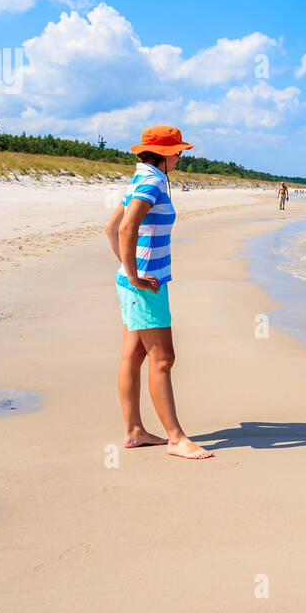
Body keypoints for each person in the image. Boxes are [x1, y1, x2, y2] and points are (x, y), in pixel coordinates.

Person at [105, 125, 213, 461]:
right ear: (164, 155)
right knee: (163, 358)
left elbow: (112, 228)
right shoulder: (151, 181)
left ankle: (135, 431)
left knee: (134, 355)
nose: (181, 157)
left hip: (138, 282)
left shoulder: (142, 177)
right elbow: (125, 227)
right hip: (146, 285)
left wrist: (128, 271)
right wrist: (136, 277)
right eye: (178, 152)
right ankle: (176, 438)